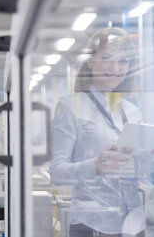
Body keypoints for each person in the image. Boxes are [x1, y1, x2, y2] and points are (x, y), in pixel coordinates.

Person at [49, 27, 149, 237]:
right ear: (91, 61)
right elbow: (57, 173)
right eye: (107, 58)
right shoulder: (70, 106)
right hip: (91, 224)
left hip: (133, 223)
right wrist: (95, 165)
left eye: (123, 61)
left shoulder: (132, 112)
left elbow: (142, 173)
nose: (116, 67)